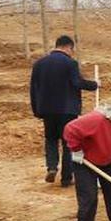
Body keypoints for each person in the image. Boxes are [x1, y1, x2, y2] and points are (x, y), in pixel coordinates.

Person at [30, 35, 99, 186]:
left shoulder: (39, 64)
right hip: (67, 109)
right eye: (71, 50)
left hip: (47, 109)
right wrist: (94, 85)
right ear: (68, 47)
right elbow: (77, 82)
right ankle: (66, 178)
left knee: (51, 139)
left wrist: (36, 109)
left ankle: (52, 167)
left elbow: (33, 89)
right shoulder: (70, 63)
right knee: (68, 142)